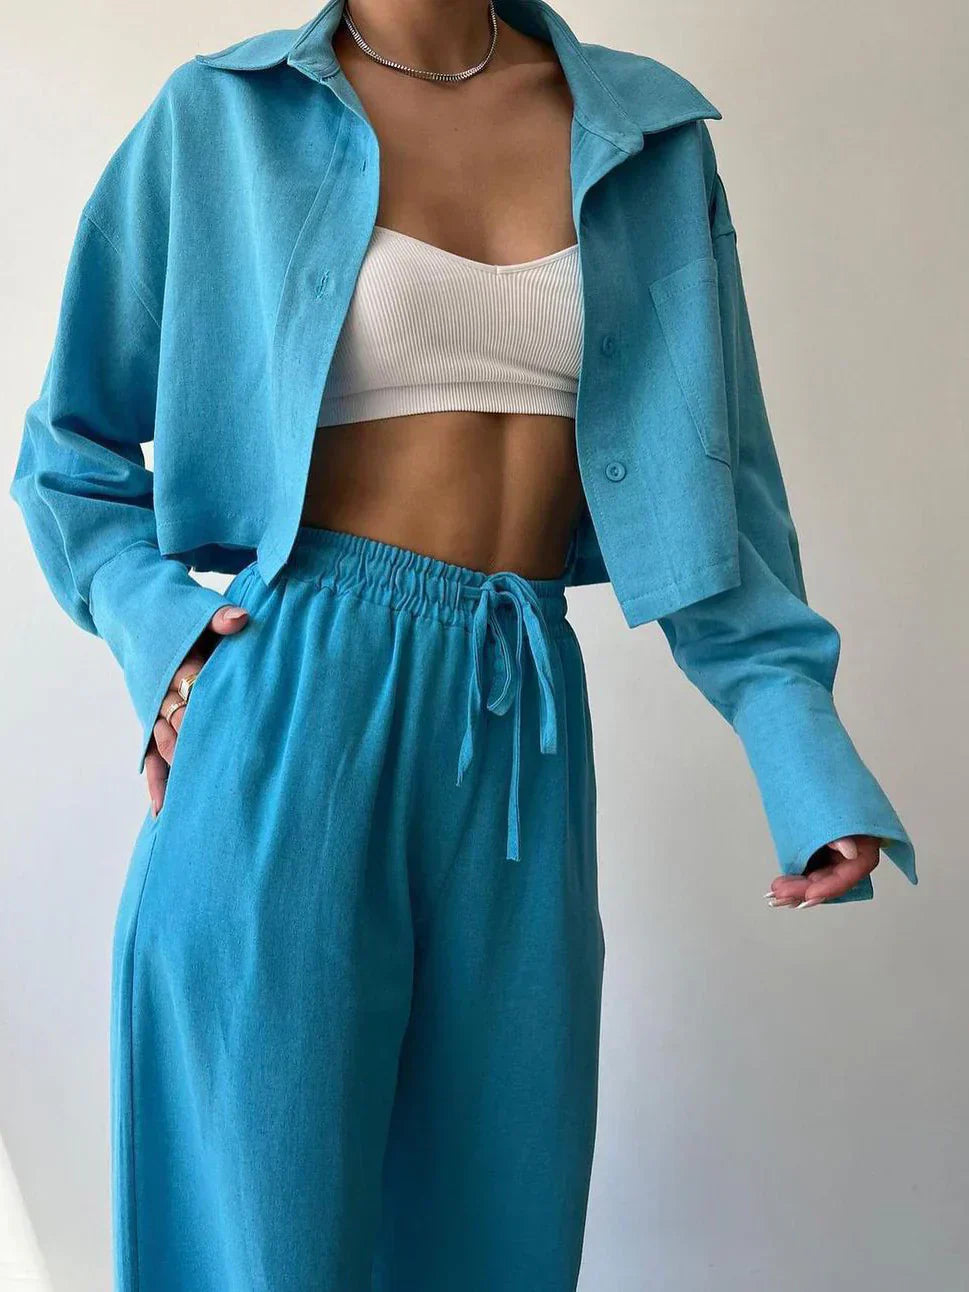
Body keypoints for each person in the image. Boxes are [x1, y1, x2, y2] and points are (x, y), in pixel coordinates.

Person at [9, 0, 917, 1287]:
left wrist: (803, 753)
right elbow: (68, 453)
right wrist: (171, 645)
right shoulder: (220, 119)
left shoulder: (648, 141)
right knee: (263, 1251)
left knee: (499, 1242)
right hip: (289, 716)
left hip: (519, 733)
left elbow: (725, 497)